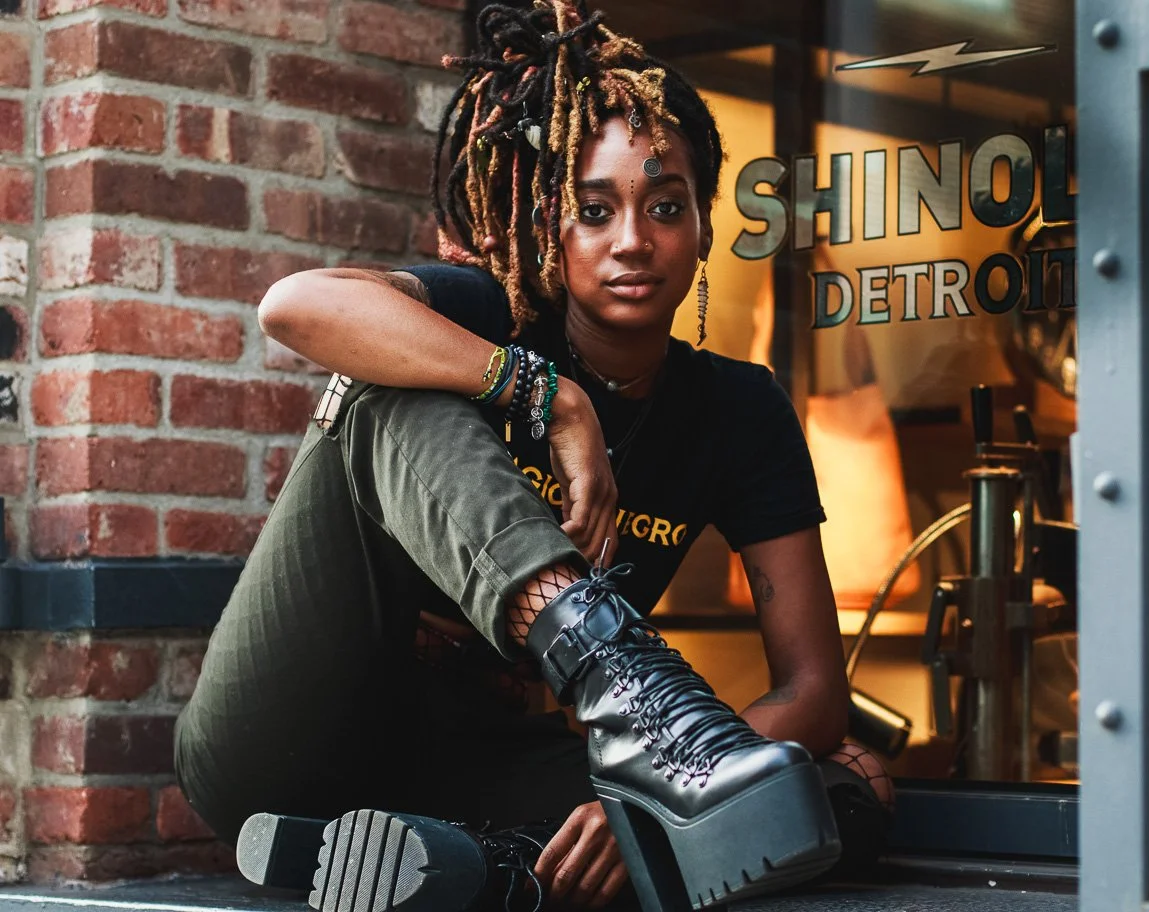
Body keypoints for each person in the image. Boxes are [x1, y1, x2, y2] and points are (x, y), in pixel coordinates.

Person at [173, 3, 894, 910]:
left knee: (846, 785)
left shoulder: (739, 410)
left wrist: (627, 796)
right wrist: (550, 395)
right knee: (387, 388)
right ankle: (625, 695)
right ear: (549, 224)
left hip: (481, 771)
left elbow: (815, 687)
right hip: (290, 742)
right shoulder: (488, 312)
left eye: (665, 207)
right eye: (594, 211)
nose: (632, 240)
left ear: (705, 226)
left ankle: (495, 869)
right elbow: (296, 305)